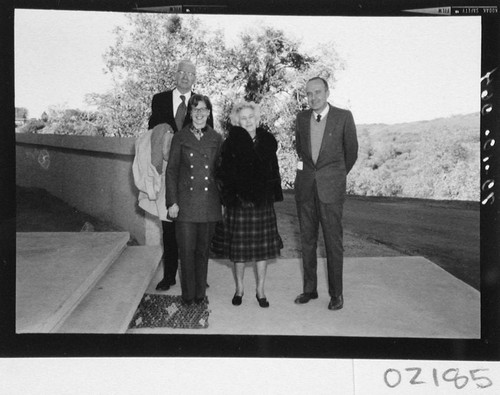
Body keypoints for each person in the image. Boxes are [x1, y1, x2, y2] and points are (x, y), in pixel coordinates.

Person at [148, 59, 213, 291]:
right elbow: (152, 131)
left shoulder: (201, 102)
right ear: (175, 75)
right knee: (169, 225)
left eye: (190, 73)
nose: (186, 76)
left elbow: (208, 135)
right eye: (182, 72)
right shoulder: (160, 99)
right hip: (167, 170)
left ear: (195, 78)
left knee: (194, 224)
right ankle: (169, 276)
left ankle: (197, 274)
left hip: (193, 171)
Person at [294, 76, 358, 310]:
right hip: (305, 190)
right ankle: (309, 290)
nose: (313, 97)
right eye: (309, 93)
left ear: (328, 92)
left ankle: (336, 294)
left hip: (331, 191)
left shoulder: (343, 117)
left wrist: (334, 176)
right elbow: (301, 149)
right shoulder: (301, 118)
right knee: (307, 242)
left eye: (318, 92)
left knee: (333, 243)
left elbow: (351, 153)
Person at [215, 101, 283, 308]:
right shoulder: (229, 144)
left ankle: (260, 290)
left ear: (257, 119)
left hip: (262, 204)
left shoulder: (268, 142)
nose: (247, 121)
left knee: (262, 251)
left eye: (250, 117)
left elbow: (274, 172)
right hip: (239, 204)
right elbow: (222, 175)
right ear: (237, 122)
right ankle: (239, 289)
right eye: (243, 118)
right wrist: (231, 198)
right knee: (239, 251)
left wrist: (271, 195)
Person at [165, 94, 222, 305]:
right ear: (190, 112)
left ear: (209, 112)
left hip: (209, 203)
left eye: (203, 109)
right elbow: (171, 171)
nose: (199, 114)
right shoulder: (180, 137)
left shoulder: (216, 138)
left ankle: (200, 295)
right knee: (186, 252)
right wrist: (172, 202)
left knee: (202, 252)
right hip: (185, 205)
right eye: (195, 109)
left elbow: (221, 172)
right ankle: (188, 296)